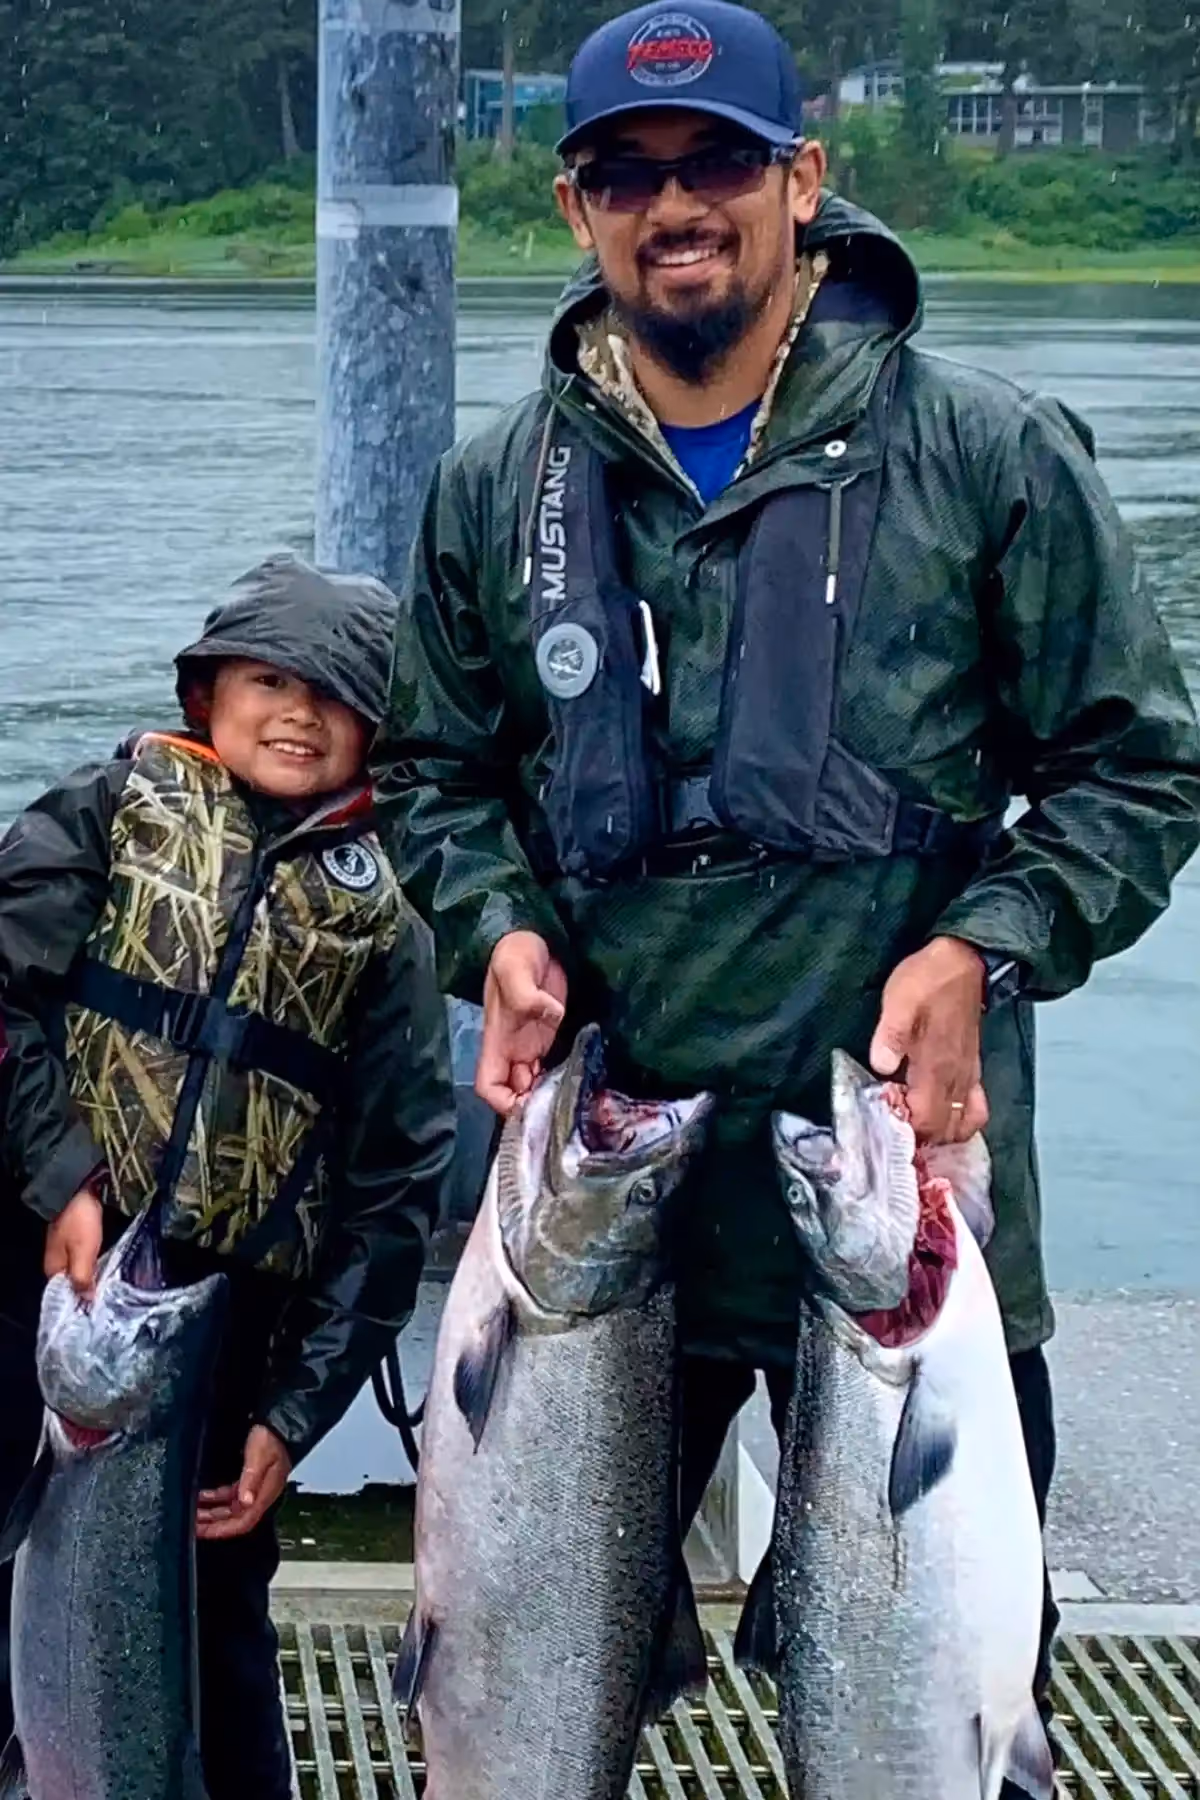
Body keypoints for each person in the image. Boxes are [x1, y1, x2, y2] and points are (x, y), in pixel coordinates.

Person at [373, 0, 1200, 1767]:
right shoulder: (490, 492)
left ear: (803, 180)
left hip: (898, 1209)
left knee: (949, 1714)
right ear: (575, 207)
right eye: (627, 173)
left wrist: (988, 943)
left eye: (720, 163)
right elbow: (435, 775)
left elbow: (1141, 766)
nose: (676, 205)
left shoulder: (990, 454)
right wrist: (496, 929)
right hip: (602, 1229)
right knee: (528, 1706)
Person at [0, 553, 455, 1797]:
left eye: (338, 696)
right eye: (270, 682)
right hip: (42, 1261)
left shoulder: (390, 920)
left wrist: (292, 1417)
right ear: (206, 696)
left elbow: (396, 1184)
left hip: (221, 1323)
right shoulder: (105, 810)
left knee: (213, 1629)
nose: (300, 714)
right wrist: (60, 1176)